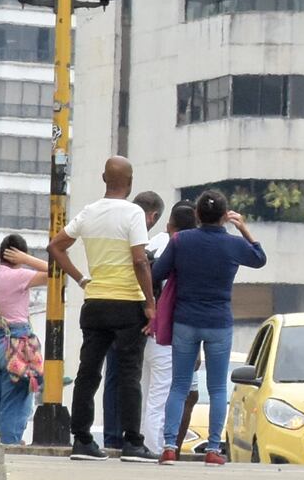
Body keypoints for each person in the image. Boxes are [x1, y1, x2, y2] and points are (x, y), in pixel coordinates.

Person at [48, 156, 156, 462]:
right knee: (128, 374)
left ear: (103, 178)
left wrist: (81, 278)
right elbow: (139, 260)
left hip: (95, 303)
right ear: (130, 182)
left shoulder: (89, 212)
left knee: (88, 372)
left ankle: (82, 440)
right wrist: (151, 302)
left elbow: (55, 246)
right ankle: (132, 442)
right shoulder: (134, 213)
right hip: (127, 304)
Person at [156, 190, 266, 466]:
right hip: (218, 322)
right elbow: (259, 258)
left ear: (197, 215)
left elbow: (157, 273)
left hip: (185, 321)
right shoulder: (232, 244)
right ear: (224, 216)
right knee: (217, 388)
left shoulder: (181, 240)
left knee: (179, 385)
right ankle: (213, 449)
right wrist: (243, 228)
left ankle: (169, 446)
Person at [103, 190, 165, 451]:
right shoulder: (141, 242)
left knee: (111, 375)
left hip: (104, 302)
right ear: (151, 216)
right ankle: (128, 437)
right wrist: (151, 305)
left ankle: (111, 436)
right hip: (131, 311)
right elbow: (142, 266)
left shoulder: (113, 227)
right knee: (130, 376)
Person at [0, 234, 48, 445]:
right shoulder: (16, 276)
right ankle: (11, 448)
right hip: (15, 344)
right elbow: (57, 272)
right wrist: (27, 259)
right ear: (18, 255)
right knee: (14, 403)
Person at [140, 201, 199, 455]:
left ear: (168, 224)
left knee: (157, 393)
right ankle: (158, 447)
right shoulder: (189, 251)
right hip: (170, 332)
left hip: (156, 331)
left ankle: (162, 445)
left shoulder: (154, 245)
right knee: (165, 394)